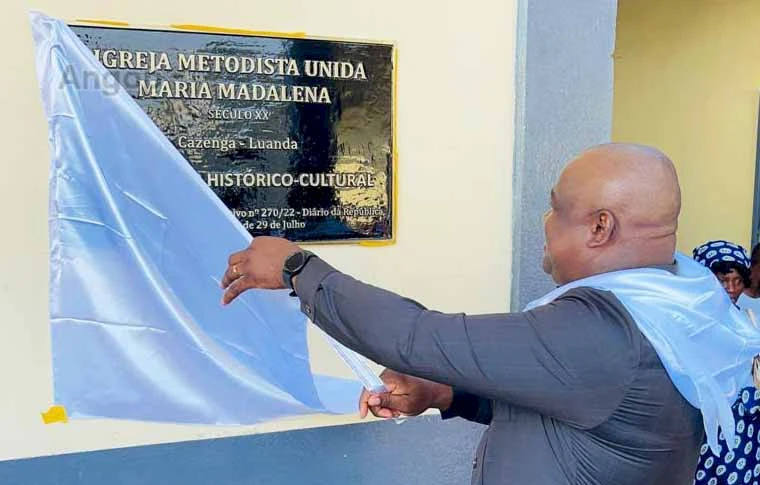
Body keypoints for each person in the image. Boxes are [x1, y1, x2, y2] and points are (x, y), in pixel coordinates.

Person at [219, 143, 753, 485]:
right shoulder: (679, 305)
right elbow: (575, 411)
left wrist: (297, 268)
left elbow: (419, 337)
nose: (545, 221)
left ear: (599, 228)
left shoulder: (608, 329)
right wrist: (443, 393)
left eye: (555, 208)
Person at [692, 240, 751, 304]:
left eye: (738, 282)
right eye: (722, 281)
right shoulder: (686, 311)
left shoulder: (742, 313)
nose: (731, 289)